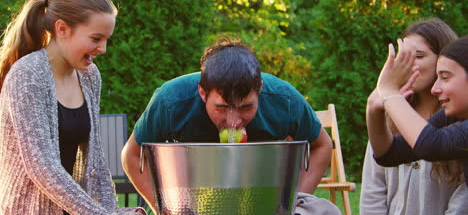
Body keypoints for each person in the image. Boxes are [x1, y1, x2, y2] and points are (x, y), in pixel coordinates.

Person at [121, 36, 340, 214]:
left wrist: (289, 205)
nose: (234, 121)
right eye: (222, 108)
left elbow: (322, 145)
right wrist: (163, 210)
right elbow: (131, 155)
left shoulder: (285, 99)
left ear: (260, 89)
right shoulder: (170, 101)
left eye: (246, 107)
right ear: (202, 93)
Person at [0, 0, 144, 214]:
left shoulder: (90, 76)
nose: (103, 49)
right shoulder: (28, 75)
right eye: (96, 38)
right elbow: (42, 168)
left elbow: (95, 160)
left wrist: (113, 210)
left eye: (107, 39)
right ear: (62, 29)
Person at [360, 18, 467, 214]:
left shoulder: (459, 123)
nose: (436, 88)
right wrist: (373, 109)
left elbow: (432, 144)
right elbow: (389, 155)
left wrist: (389, 91)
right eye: (403, 57)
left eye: (445, 77)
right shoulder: (444, 116)